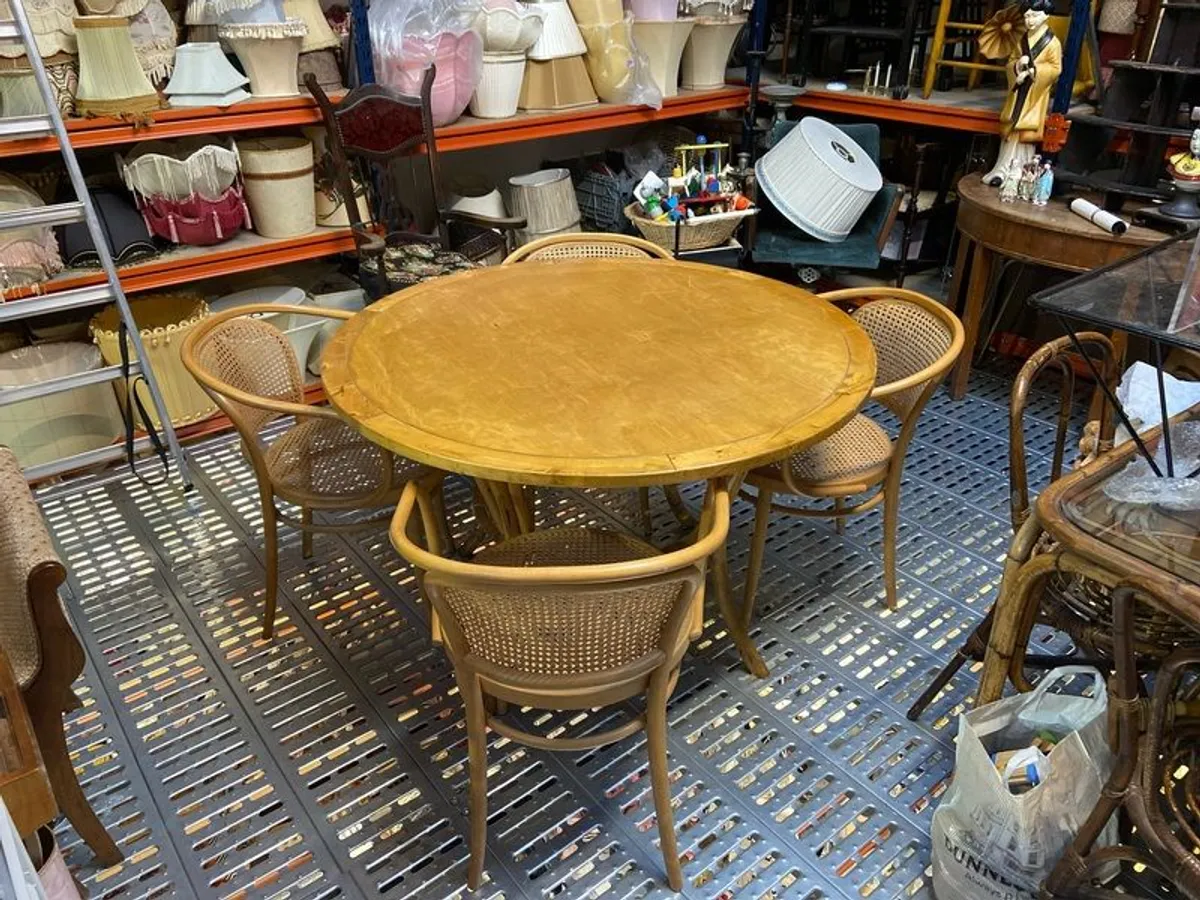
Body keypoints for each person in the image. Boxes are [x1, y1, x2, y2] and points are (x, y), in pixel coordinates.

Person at [982, 0, 1062, 185]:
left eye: (1035, 16)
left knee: (1025, 133)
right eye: (1027, 16)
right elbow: (1011, 61)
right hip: (1019, 91)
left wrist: (1035, 71)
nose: (1030, 20)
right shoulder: (1021, 39)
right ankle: (1001, 170)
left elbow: (1055, 69)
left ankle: (1019, 173)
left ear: (1046, 16)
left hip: (1034, 94)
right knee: (1010, 131)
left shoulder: (1053, 43)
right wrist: (1017, 66)